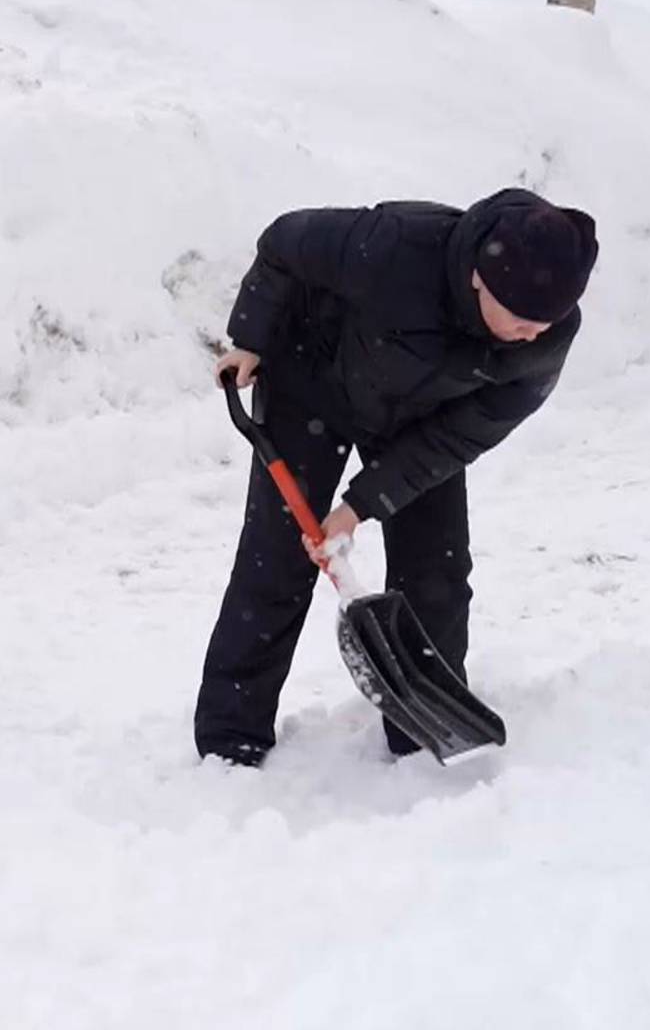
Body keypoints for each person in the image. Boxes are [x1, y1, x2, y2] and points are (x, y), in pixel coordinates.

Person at [196, 188, 598, 765]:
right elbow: (285, 242)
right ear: (482, 279)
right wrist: (252, 340)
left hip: (419, 421)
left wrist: (359, 506)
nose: (533, 334)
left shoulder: (541, 344)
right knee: (277, 560)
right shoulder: (396, 247)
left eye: (547, 321)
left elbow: (457, 437)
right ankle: (229, 736)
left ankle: (425, 729)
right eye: (521, 318)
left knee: (438, 571)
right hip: (312, 373)